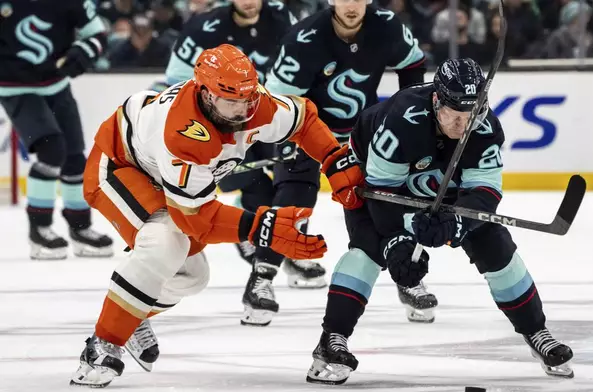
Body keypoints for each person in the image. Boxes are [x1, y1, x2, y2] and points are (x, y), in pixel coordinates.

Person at [69, 44, 364, 388]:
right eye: (231, 101)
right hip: (120, 166)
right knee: (165, 241)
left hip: (164, 173)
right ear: (206, 94)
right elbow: (194, 218)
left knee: (193, 277)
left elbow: (304, 118)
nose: (242, 110)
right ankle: (102, 344)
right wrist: (261, 227)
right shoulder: (184, 132)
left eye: (247, 99)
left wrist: (333, 157)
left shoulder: (256, 104)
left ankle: (128, 317)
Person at [305, 58, 574, 385]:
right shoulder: (400, 120)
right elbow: (381, 191)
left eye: (470, 117)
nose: (463, 126)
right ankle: (331, 342)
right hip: (379, 188)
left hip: (446, 193)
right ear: (436, 102)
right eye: (455, 117)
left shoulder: (485, 128)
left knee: (498, 249)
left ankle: (537, 332)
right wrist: (397, 241)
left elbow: (485, 191)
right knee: (367, 252)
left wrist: (457, 222)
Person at [254, 0, 437, 326]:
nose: (351, 4)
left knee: (378, 204)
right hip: (307, 133)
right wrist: (285, 138)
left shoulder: (387, 25)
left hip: (360, 134)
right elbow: (277, 100)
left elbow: (413, 65)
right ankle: (261, 279)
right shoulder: (304, 39)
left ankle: (406, 275)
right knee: (293, 200)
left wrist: (409, 118)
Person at [159, 0, 325, 296]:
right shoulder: (204, 27)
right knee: (257, 185)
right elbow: (174, 83)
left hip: (270, 115)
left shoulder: (282, 17)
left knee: (296, 181)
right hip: (224, 124)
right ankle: (261, 232)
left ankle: (292, 241)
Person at [0, 0, 113, 259]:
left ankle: (81, 228)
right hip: (14, 87)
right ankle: (40, 229)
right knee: (52, 151)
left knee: (75, 158)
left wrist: (84, 51)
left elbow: (97, 33)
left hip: (56, 85)